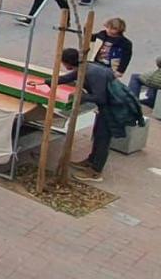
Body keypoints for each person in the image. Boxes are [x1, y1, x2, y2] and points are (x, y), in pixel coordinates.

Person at [56, 47, 132, 183]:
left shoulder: (92, 73)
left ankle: (96, 172)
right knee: (97, 133)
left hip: (113, 107)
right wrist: (48, 82)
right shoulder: (85, 67)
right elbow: (69, 77)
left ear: (67, 63)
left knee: (103, 138)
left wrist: (82, 97)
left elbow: (100, 97)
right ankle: (91, 161)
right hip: (107, 106)